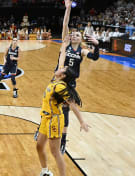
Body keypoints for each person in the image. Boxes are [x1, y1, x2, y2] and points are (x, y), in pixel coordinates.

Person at [38, 0, 98, 154]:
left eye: (77, 35)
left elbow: (95, 57)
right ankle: (41, 129)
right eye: (73, 35)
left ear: (81, 39)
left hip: (70, 82)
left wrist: (97, 45)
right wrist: (67, 9)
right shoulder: (65, 45)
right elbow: (65, 24)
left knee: (65, 109)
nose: (74, 36)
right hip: (58, 77)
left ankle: (63, 140)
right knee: (48, 103)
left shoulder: (82, 51)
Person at [34, 34, 90, 176]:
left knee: (55, 152)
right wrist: (64, 47)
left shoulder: (60, 87)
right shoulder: (56, 78)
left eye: (63, 68)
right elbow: (61, 60)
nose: (60, 66)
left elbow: (72, 105)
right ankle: (45, 171)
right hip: (45, 118)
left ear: (63, 75)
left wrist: (82, 121)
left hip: (54, 121)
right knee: (38, 146)